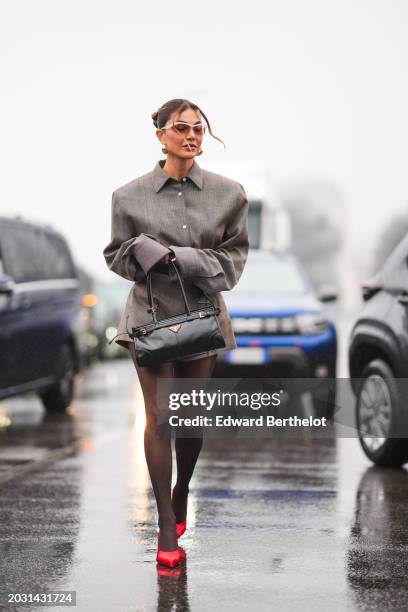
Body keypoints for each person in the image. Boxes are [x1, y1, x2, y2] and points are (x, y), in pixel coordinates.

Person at [103, 98, 249, 567]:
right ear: (160, 134)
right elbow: (115, 256)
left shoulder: (230, 194)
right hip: (147, 317)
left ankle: (182, 488)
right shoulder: (128, 196)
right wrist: (143, 251)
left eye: (199, 130)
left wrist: (182, 257)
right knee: (158, 416)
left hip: (203, 315)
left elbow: (233, 261)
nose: (191, 136)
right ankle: (165, 521)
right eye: (182, 128)